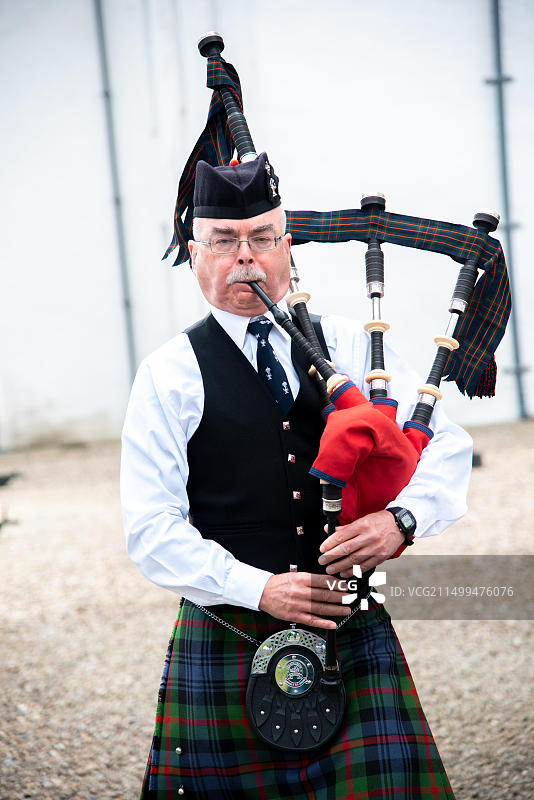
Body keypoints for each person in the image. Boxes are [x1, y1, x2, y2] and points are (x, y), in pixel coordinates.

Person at [120, 153, 471, 799]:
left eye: (262, 239)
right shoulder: (168, 375)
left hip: (349, 624)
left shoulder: (350, 343)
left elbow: (442, 443)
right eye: (224, 242)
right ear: (195, 255)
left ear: (288, 249)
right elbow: (150, 529)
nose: (245, 258)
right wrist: (257, 588)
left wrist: (402, 519)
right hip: (227, 627)